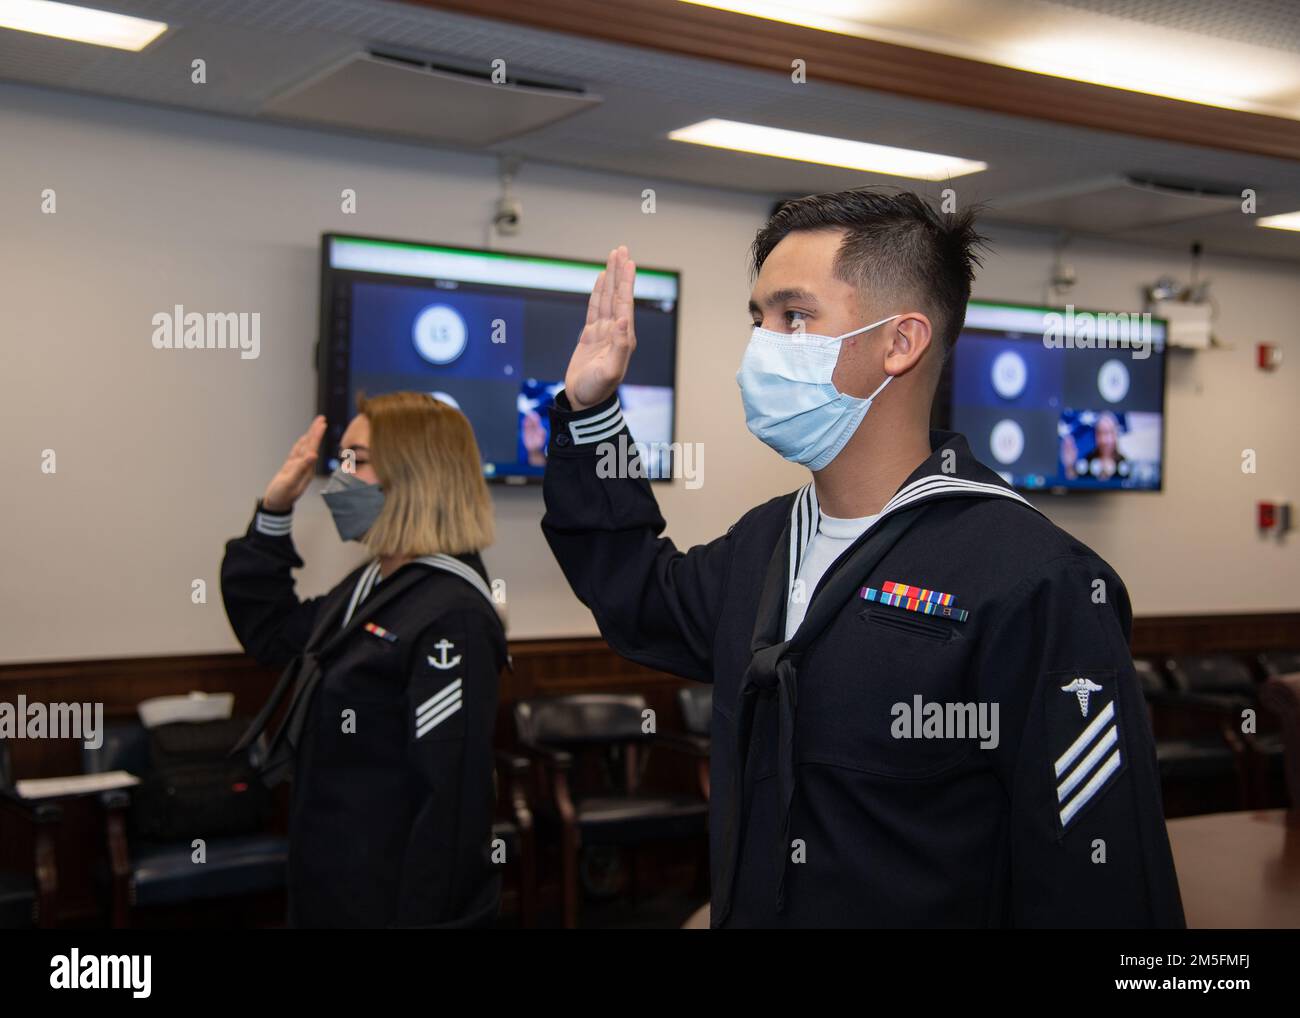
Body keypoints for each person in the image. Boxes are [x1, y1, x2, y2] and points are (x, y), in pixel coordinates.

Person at [540, 190, 1184, 928]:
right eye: (759, 319)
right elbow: (636, 594)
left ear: (900, 342)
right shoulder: (767, 544)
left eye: (795, 317)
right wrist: (591, 415)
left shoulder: (1035, 580)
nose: (763, 346)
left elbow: (1102, 882)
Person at [221, 392, 507, 928]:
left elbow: (449, 813)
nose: (339, 479)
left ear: (415, 473)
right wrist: (275, 511)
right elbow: (273, 632)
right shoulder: (375, 585)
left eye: (357, 460)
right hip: (332, 885)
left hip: (390, 902)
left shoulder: (451, 614)